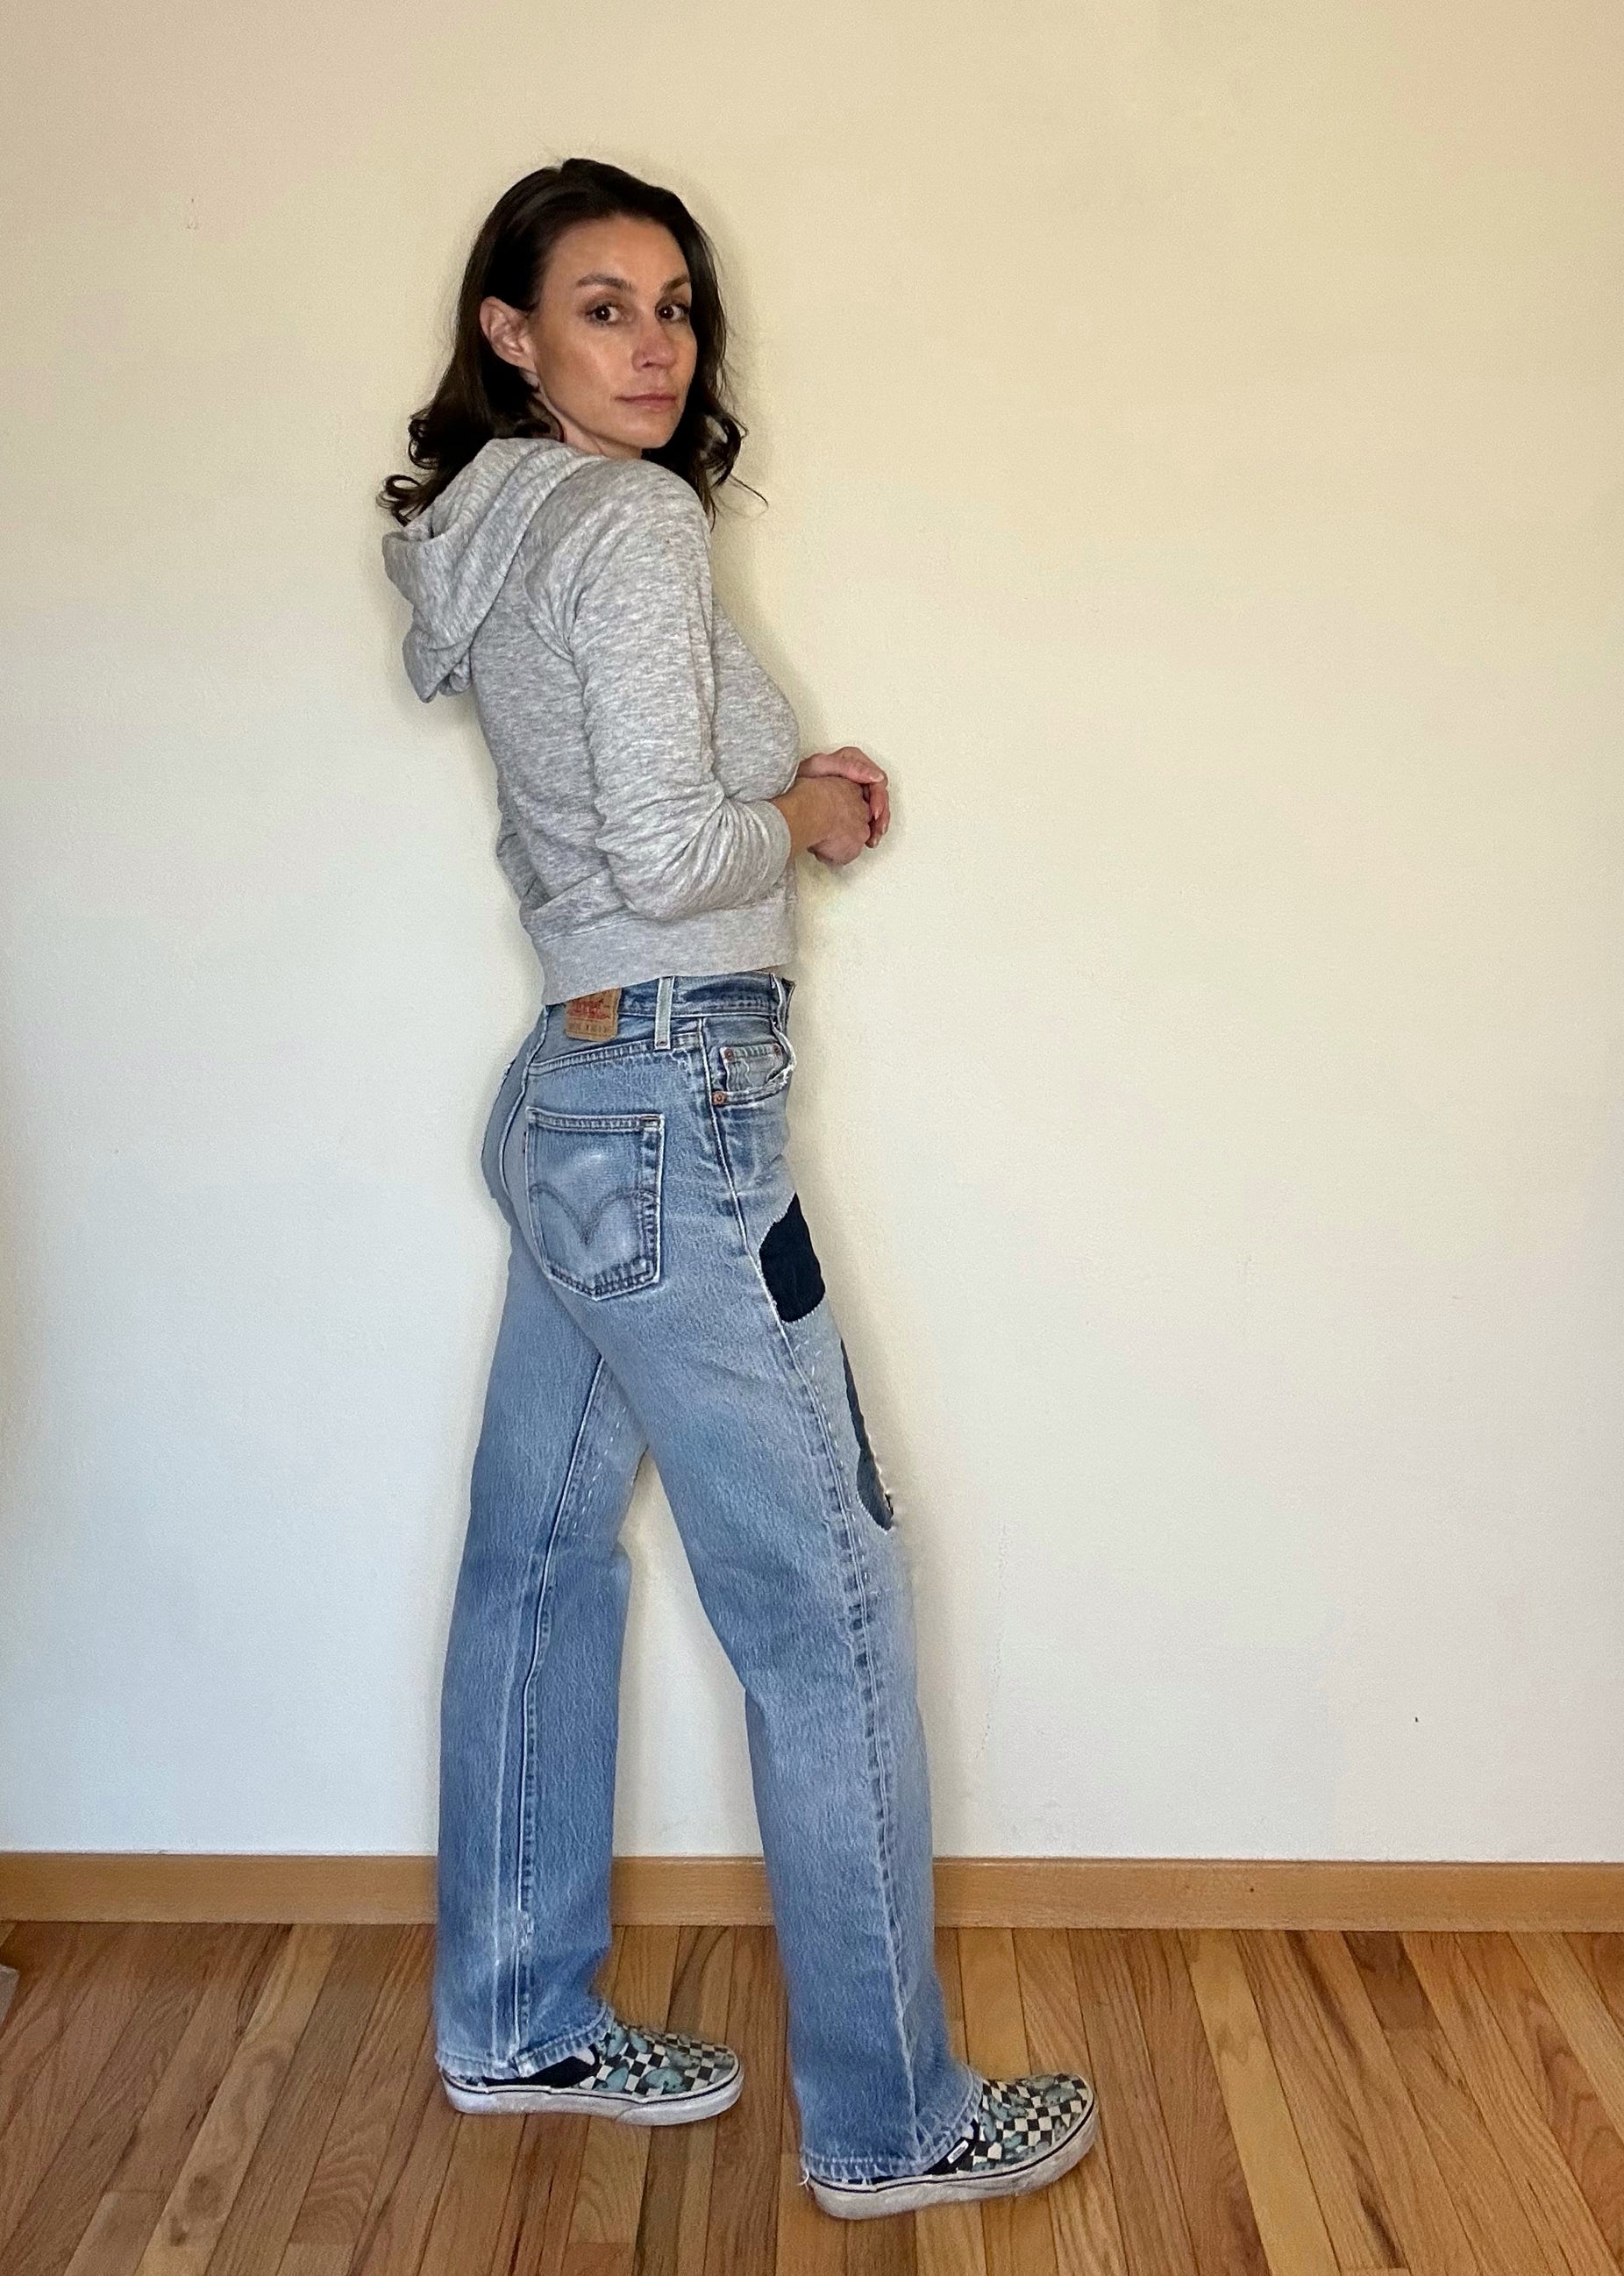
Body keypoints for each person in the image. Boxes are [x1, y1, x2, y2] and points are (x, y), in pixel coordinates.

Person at [378, 154, 1095, 2221]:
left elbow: (582, 842)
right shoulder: (626, 520)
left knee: (535, 1560)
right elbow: (657, 848)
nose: (655, 343)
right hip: (675, 1105)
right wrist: (798, 811)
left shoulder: (494, 525)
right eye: (601, 305)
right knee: (826, 1595)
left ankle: (516, 2016)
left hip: (578, 1095)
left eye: (674, 304)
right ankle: (892, 2120)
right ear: (510, 331)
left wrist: (765, 808)